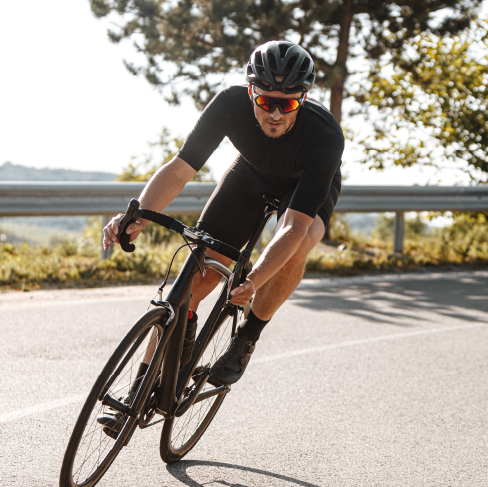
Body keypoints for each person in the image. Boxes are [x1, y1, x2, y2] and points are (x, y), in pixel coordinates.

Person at [103, 40, 344, 390]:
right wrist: (139, 215)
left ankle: (248, 336)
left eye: (288, 104)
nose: (275, 114)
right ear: (250, 92)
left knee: (300, 243)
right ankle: (143, 381)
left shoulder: (325, 135)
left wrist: (254, 281)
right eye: (265, 101)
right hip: (250, 174)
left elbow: (292, 225)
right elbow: (180, 170)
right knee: (197, 270)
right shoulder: (229, 104)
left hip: (303, 184)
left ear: (303, 99)